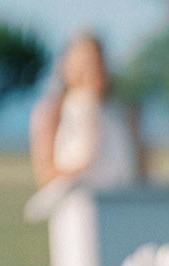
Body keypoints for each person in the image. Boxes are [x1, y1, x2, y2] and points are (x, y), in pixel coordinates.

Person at [28, 32, 145, 203]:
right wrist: (86, 168)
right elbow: (46, 175)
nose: (94, 71)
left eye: (98, 62)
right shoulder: (52, 112)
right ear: (66, 66)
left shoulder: (122, 112)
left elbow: (139, 171)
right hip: (77, 206)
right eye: (86, 64)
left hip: (124, 204)